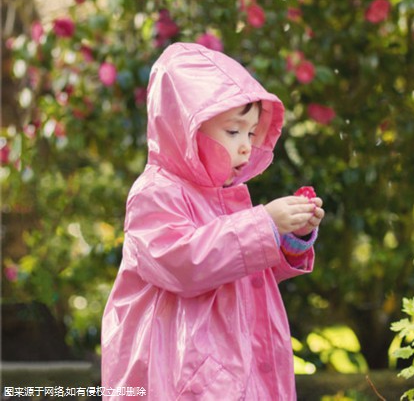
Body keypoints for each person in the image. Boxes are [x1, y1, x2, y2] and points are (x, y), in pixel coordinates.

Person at [101, 43, 324, 400]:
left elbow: (245, 272)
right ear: (185, 128)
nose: (245, 147)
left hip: (240, 366)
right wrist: (263, 223)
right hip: (181, 374)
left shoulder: (227, 197)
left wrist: (290, 235)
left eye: (251, 134)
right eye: (233, 131)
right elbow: (183, 263)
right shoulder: (155, 193)